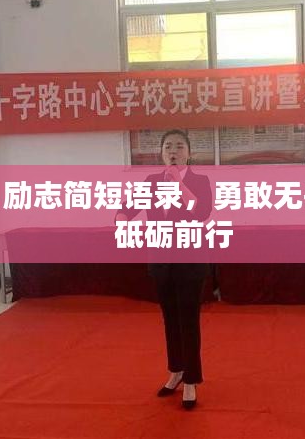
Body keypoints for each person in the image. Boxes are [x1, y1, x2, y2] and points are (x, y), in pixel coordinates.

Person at [115, 129, 212, 410]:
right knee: (170, 320)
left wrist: (178, 184)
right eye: (168, 146)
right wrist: (122, 219)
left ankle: (191, 380)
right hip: (161, 261)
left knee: (188, 321)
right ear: (161, 153)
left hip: (190, 262)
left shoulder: (200, 181)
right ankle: (176, 371)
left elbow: (201, 212)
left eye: (179, 146)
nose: (173, 151)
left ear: (189, 153)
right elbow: (128, 207)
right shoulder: (151, 181)